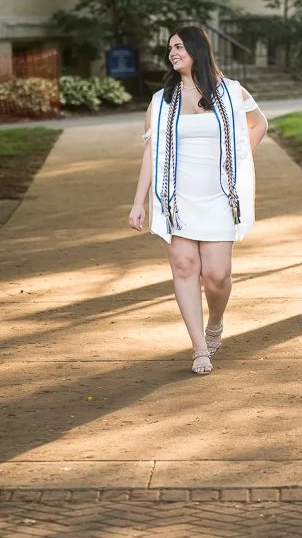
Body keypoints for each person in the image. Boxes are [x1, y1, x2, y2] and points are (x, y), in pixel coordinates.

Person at [127, 26, 268, 375]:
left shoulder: (231, 92)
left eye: (178, 46)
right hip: (175, 197)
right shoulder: (162, 101)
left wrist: (235, 163)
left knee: (217, 275)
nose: (172, 52)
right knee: (185, 267)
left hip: (220, 196)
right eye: (169, 48)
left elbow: (259, 124)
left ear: (196, 49)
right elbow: (150, 153)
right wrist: (138, 201)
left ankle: (215, 322)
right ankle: (200, 348)